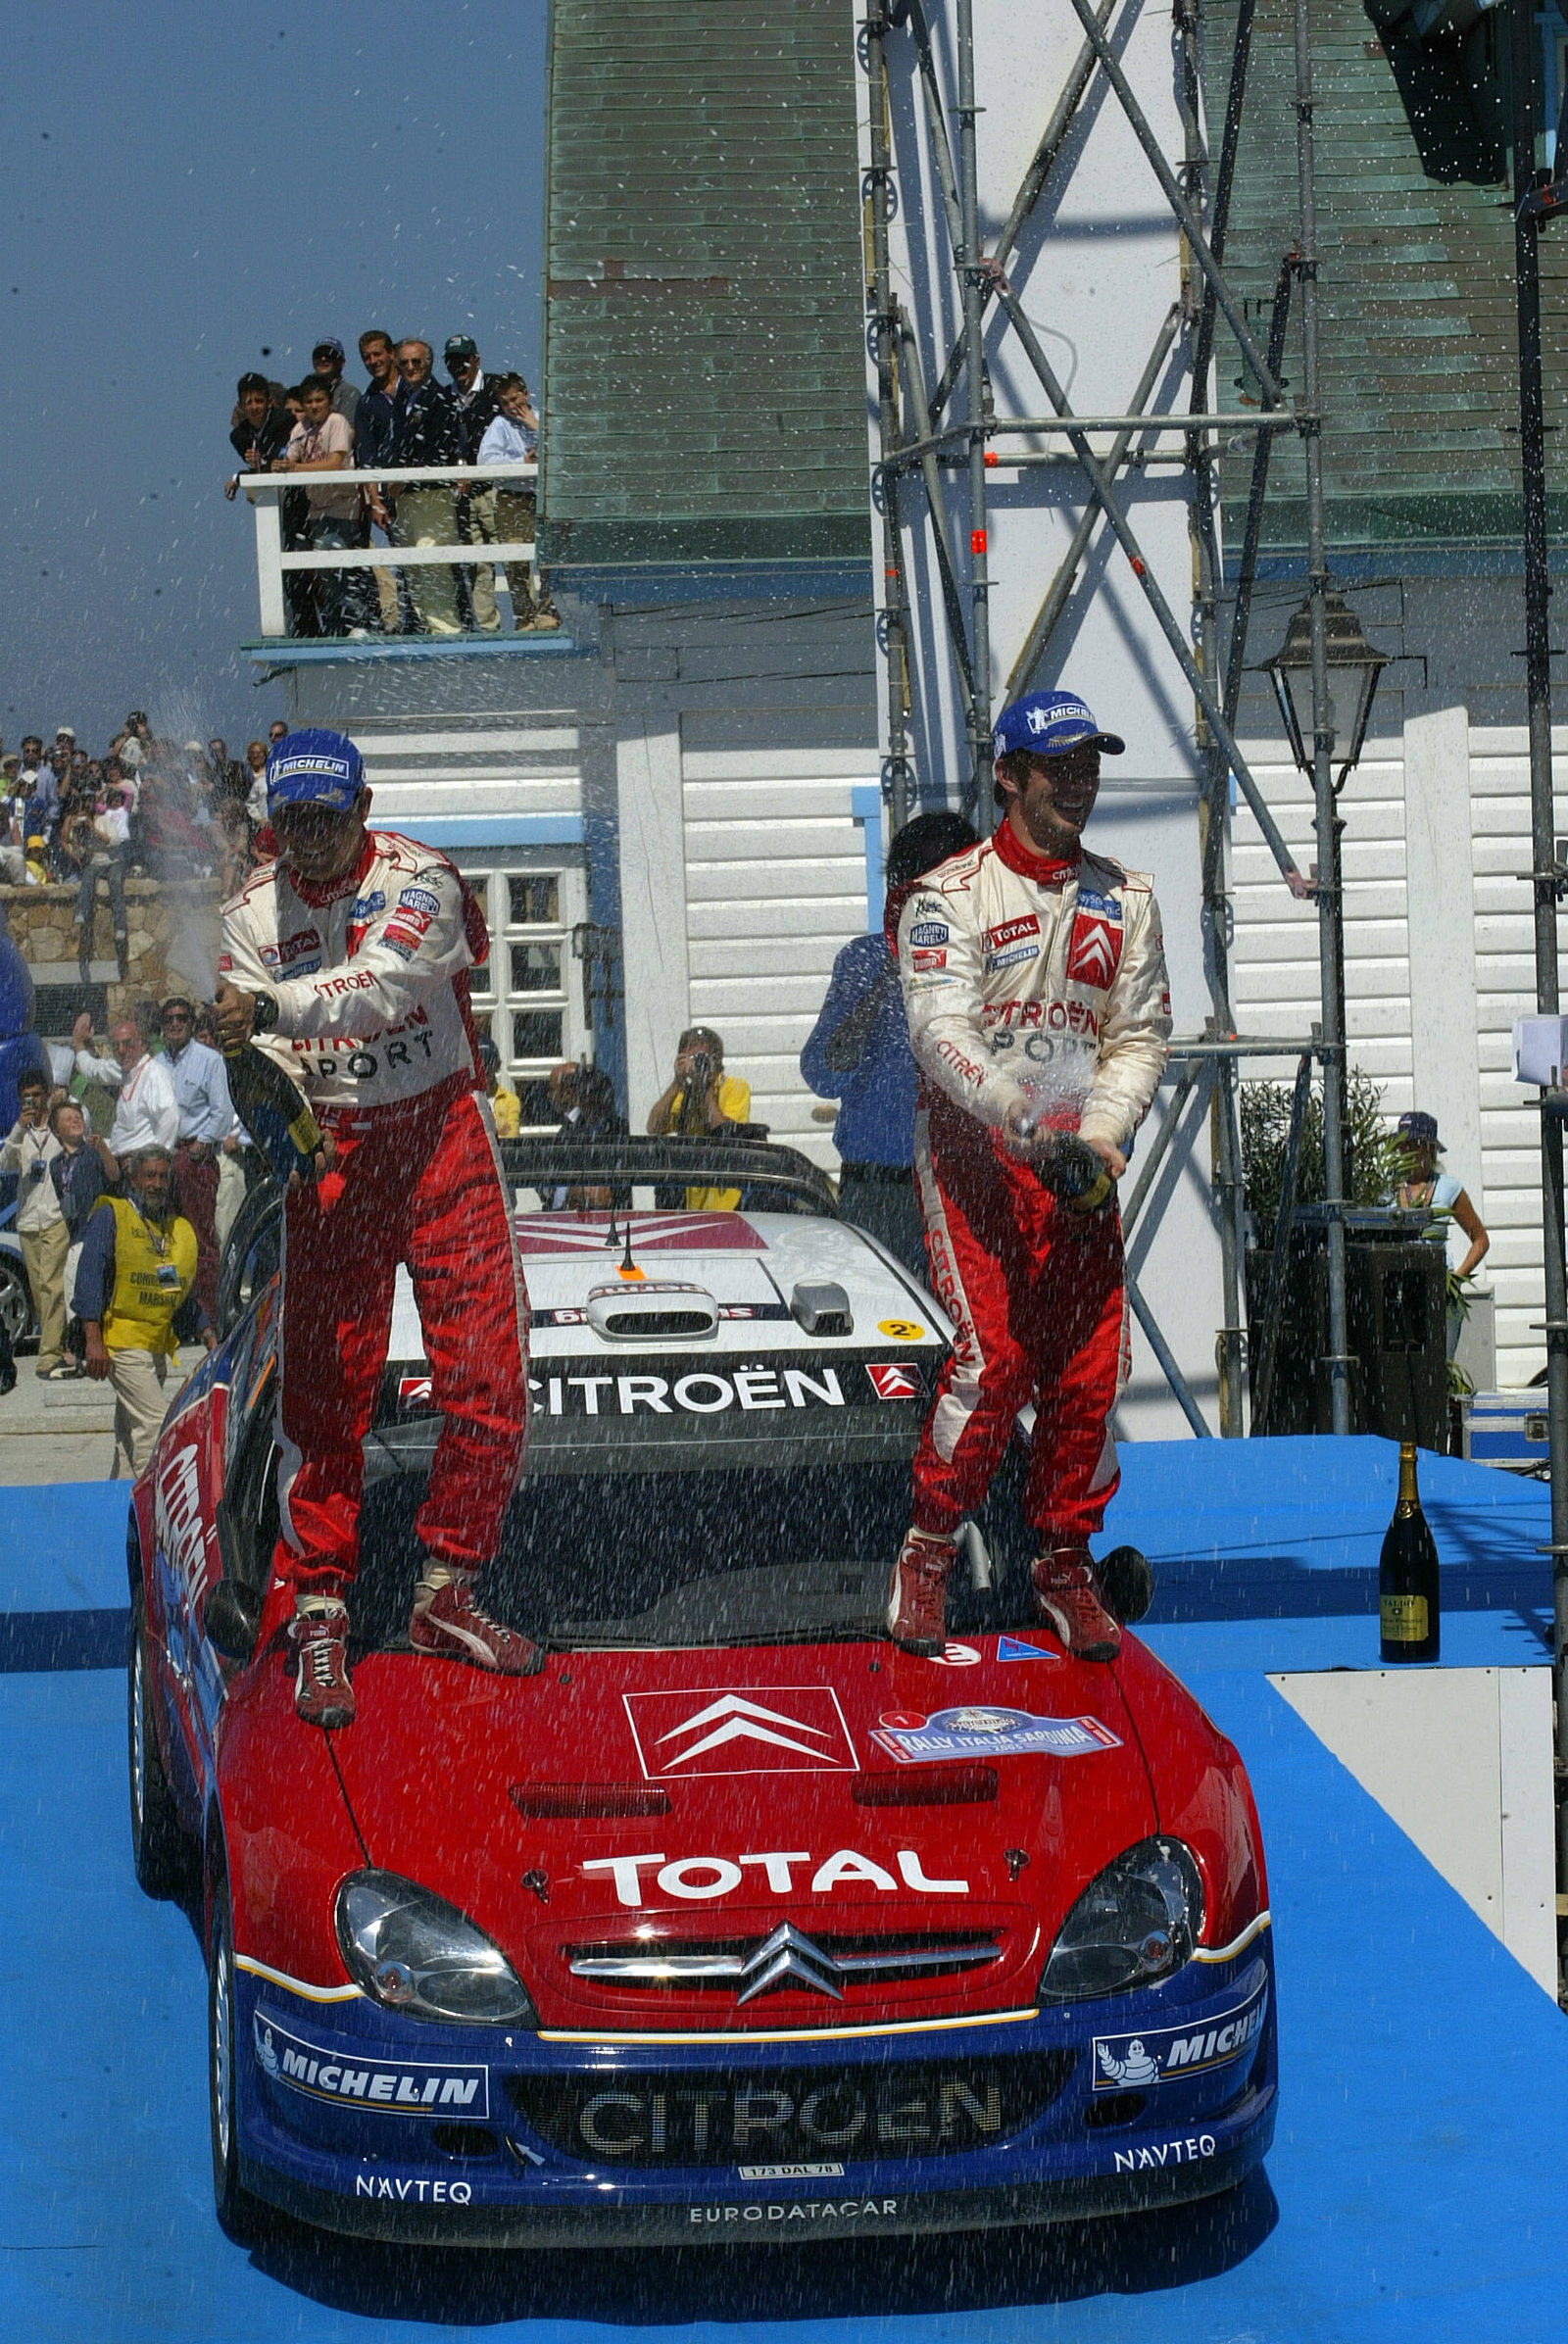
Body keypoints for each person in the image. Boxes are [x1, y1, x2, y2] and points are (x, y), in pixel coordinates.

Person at [214, 726, 531, 1728]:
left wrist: (267, 1005)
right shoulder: (245, 917)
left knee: (489, 1380)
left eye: (329, 816)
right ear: (274, 824)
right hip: (332, 1152)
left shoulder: (420, 876)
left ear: (363, 805)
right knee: (325, 1394)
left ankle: (447, 1591)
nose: (312, 838)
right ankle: (319, 1611)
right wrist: (258, 1086)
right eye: (294, 819)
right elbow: (258, 1068)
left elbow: (384, 985)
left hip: (441, 1133)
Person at [885, 690, 1171, 1664]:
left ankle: (1062, 1561)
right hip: (975, 1159)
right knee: (994, 1362)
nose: (1077, 786)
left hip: (1077, 1162)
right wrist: (1021, 1120)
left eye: (1089, 766)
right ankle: (926, 1550)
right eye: (1058, 769)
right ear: (1008, 776)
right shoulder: (946, 895)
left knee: (1090, 1374)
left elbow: (1138, 1034)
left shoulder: (1124, 895)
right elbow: (937, 1032)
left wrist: (1093, 1134)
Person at [802, 810, 977, 1276]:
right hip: (879, 1190)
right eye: (918, 886)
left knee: (970, 1324)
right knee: (882, 1321)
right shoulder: (866, 959)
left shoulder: (991, 960)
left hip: (965, 1185)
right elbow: (823, 1072)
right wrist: (890, 973)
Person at [75, 1144, 213, 1478]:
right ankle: (152, 1507)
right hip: (122, 1342)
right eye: (149, 1176)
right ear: (133, 1178)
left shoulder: (173, 1230)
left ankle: (120, 1508)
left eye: (163, 1177)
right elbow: (90, 1275)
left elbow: (178, 1294)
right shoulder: (113, 1215)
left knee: (128, 1437)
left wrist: (209, 1337)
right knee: (154, 1427)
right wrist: (92, 1339)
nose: (156, 1183)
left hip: (155, 1346)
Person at [371, 341, 463, 636]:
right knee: (413, 566)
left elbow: (439, 453)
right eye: (405, 363)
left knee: (432, 559)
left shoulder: (441, 399)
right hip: (407, 500)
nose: (411, 368)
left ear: (429, 364)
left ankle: (446, 630)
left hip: (433, 496)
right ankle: (428, 626)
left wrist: (405, 478)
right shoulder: (402, 400)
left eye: (417, 362)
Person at [276, 373, 373, 639]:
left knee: (339, 563)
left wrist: (295, 468)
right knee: (327, 573)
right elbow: (290, 457)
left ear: (329, 402)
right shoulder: (300, 429)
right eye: (309, 401)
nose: (314, 406)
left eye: (319, 400)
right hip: (317, 510)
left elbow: (334, 462)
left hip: (343, 506)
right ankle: (340, 626)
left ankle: (359, 621)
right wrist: (282, 465)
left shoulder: (337, 422)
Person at [160, 995, 233, 1325]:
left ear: (191, 1024)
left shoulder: (208, 1060)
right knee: (163, 1239)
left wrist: (203, 1144)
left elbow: (221, 1109)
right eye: (169, 1020)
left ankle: (207, 1314)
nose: (175, 1024)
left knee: (201, 1238)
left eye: (181, 1018)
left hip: (194, 1158)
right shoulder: (155, 1064)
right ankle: (173, 1311)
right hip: (161, 1160)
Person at [1394, 1108, 1490, 1355]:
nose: (1408, 1151)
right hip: (1396, 1289)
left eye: (1415, 1144)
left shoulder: (1449, 1188)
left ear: (1430, 1149)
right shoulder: (1388, 1188)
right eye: (1403, 1145)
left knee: (1440, 1368)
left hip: (1439, 1287)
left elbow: (1480, 1240)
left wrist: (1456, 1280)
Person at [473, 374, 559, 631]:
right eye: (504, 402)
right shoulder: (500, 425)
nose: (511, 406)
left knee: (549, 560)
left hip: (546, 498)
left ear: (526, 394)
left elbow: (562, 450)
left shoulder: (545, 419)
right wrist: (521, 464)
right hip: (512, 498)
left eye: (514, 399)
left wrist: (537, 429)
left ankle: (548, 615)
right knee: (515, 562)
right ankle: (524, 617)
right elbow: (485, 462)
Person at [1, 1070, 70, 1376]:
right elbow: (4, 1163)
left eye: (38, 1095)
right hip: (29, 1219)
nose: (34, 1101)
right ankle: (61, 1341)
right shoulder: (21, 1135)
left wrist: (60, 1106)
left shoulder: (60, 1124)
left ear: (47, 1093)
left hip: (55, 1216)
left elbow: (80, 1135)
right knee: (38, 1287)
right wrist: (19, 1126)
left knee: (52, 1285)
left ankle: (50, 1353)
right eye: (28, 1096)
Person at [647, 1026, 752, 1210]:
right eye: (693, 1060)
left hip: (726, 1201)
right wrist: (677, 1082)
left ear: (716, 1061)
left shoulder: (735, 1087)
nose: (698, 1065)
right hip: (688, 1202)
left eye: (703, 1059)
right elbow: (653, 1127)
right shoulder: (682, 1093)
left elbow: (725, 1133)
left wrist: (705, 1088)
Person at [49, 1098, 116, 1375]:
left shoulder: (93, 1152)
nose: (75, 1120)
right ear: (56, 1130)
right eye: (67, 1118)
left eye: (78, 1116)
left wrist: (103, 1149)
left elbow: (113, 1176)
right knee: (73, 1288)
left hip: (97, 1233)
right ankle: (77, 1347)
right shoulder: (55, 1164)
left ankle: (80, 1347)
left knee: (83, 1285)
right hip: (76, 1234)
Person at [355, 328, 405, 634]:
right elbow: (367, 457)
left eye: (377, 354)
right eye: (367, 357)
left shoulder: (416, 389)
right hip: (390, 496)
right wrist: (374, 501)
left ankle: (453, 623)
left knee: (437, 558)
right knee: (402, 558)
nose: (373, 361)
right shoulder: (366, 403)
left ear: (391, 354)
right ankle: (407, 622)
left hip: (425, 489)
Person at [76, 1014, 180, 1158]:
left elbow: (170, 1117)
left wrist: (157, 1159)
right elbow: (95, 1070)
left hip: (141, 1165)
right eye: (115, 1045)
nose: (121, 1050)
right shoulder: (126, 1071)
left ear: (142, 1044)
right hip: (123, 1162)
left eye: (127, 1043)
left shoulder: (154, 1074)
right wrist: (80, 1045)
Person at [224, 372, 293, 501]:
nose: (254, 407)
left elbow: (279, 464)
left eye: (259, 401)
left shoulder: (285, 421)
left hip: (295, 491)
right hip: (273, 494)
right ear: (240, 405)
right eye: (248, 402)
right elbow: (259, 471)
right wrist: (255, 465)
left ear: (270, 402)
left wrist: (239, 477)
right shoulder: (238, 436)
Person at [477, 1035, 521, 1138]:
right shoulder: (469, 1102)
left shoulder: (511, 1100)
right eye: (479, 1066)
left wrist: (483, 1136)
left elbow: (511, 1137)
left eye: (488, 1065)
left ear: (497, 1065)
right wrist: (498, 1132)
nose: (484, 1070)